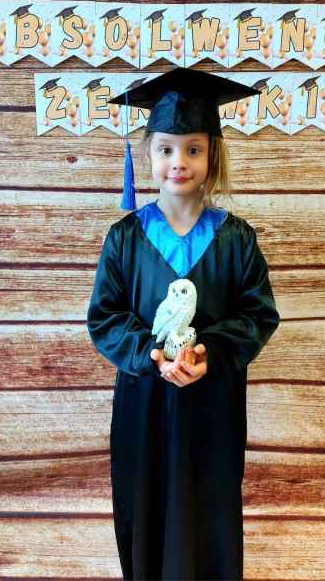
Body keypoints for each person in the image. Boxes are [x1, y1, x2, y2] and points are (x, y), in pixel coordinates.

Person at [86, 67, 280, 580]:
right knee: (145, 503)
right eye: (166, 149)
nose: (179, 161)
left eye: (194, 149)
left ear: (213, 155)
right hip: (144, 403)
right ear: (148, 155)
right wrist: (151, 356)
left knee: (207, 507)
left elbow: (258, 313)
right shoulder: (125, 238)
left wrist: (207, 353)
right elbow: (105, 316)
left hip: (211, 404)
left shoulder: (236, 238)